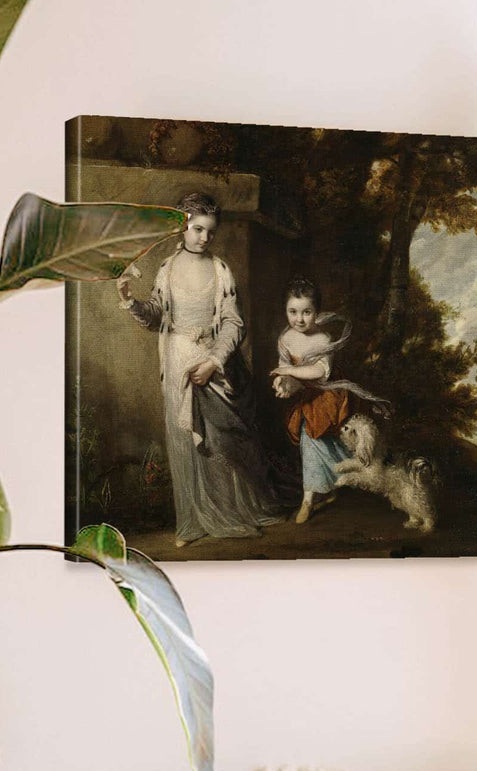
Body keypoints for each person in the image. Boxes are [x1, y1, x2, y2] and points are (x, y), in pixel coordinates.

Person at [116, 193, 282, 548]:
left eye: (210, 231)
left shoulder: (221, 269)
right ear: (182, 227)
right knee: (186, 441)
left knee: (220, 440)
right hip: (178, 360)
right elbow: (156, 316)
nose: (204, 237)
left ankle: (228, 513)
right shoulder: (167, 268)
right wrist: (131, 300)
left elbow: (233, 323)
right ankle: (192, 521)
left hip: (214, 362)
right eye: (197, 229)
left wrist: (213, 362)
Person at [271, 277, 389, 523]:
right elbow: (283, 366)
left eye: (306, 312)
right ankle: (314, 496)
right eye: (293, 312)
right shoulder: (285, 338)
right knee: (310, 442)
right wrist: (282, 383)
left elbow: (319, 373)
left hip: (327, 397)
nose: (299, 319)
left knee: (321, 440)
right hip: (304, 397)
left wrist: (290, 375)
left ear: (317, 312)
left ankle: (319, 495)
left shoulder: (323, 340)